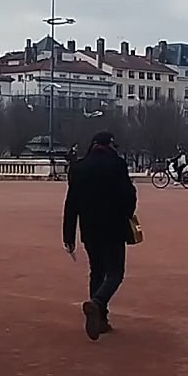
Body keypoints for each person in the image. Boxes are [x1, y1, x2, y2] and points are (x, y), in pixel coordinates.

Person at [63, 131, 138, 341]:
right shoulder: (117, 165)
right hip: (113, 227)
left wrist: (68, 235)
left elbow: (71, 204)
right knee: (115, 273)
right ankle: (97, 303)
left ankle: (101, 319)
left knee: (96, 270)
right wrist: (127, 214)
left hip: (89, 229)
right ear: (110, 144)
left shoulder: (78, 168)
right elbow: (128, 196)